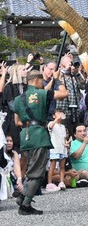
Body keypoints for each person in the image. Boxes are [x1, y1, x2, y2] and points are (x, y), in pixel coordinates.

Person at [13, 69, 66, 215]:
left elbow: (17, 121)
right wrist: (59, 80)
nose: (43, 83)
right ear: (36, 80)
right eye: (41, 80)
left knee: (31, 169)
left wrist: (51, 81)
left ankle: (23, 197)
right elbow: (63, 94)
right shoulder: (42, 94)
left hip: (25, 135)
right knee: (37, 172)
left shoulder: (19, 98)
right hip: (39, 136)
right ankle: (25, 205)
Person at [47, 109, 68, 191]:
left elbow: (64, 137)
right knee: (52, 165)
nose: (60, 115)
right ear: (53, 115)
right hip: (54, 148)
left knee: (62, 166)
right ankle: (49, 183)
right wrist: (56, 119)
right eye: (58, 113)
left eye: (61, 113)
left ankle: (61, 182)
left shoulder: (63, 126)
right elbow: (50, 127)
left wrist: (66, 143)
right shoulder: (51, 123)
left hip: (62, 148)